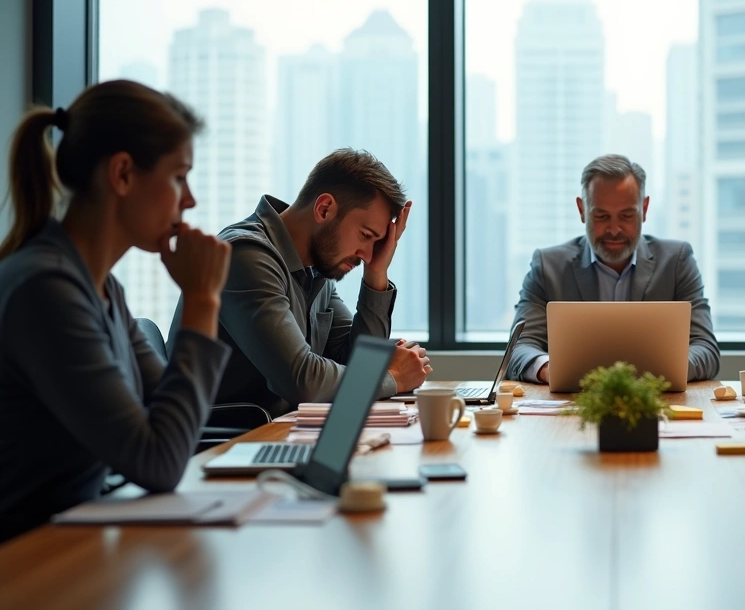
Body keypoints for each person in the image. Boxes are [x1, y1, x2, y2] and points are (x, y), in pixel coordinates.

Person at [0, 80, 232, 543]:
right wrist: (202, 300)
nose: (190, 201)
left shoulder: (103, 288)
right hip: (27, 566)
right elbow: (160, 461)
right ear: (123, 174)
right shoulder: (46, 289)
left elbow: (171, 419)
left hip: (73, 546)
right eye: (178, 177)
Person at [169, 149, 429, 416]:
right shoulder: (245, 255)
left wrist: (376, 274)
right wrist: (392, 378)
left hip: (276, 433)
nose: (367, 255)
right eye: (365, 235)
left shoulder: (316, 269)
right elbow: (303, 381)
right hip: (226, 444)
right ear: (324, 208)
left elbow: (357, 361)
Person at [506, 154, 720, 383]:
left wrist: (657, 371)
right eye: (601, 216)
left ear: (644, 209)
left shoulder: (677, 262)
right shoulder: (548, 267)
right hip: (574, 404)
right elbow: (519, 349)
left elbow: (705, 348)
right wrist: (549, 369)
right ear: (581, 210)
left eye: (627, 215)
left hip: (654, 401)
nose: (615, 229)